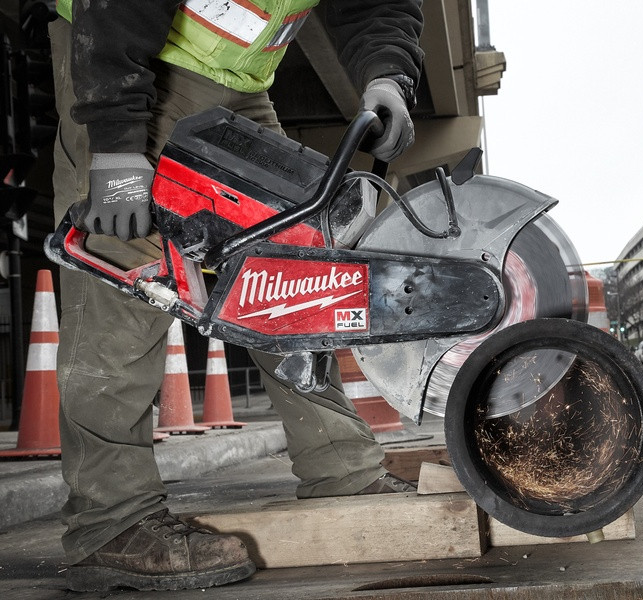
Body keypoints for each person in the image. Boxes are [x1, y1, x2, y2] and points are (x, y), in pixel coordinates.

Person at [48, 0, 424, 592]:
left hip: (242, 81)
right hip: (132, 62)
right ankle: (111, 522)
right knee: (123, 282)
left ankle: (341, 470)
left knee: (293, 274)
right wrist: (116, 142)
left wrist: (387, 73)